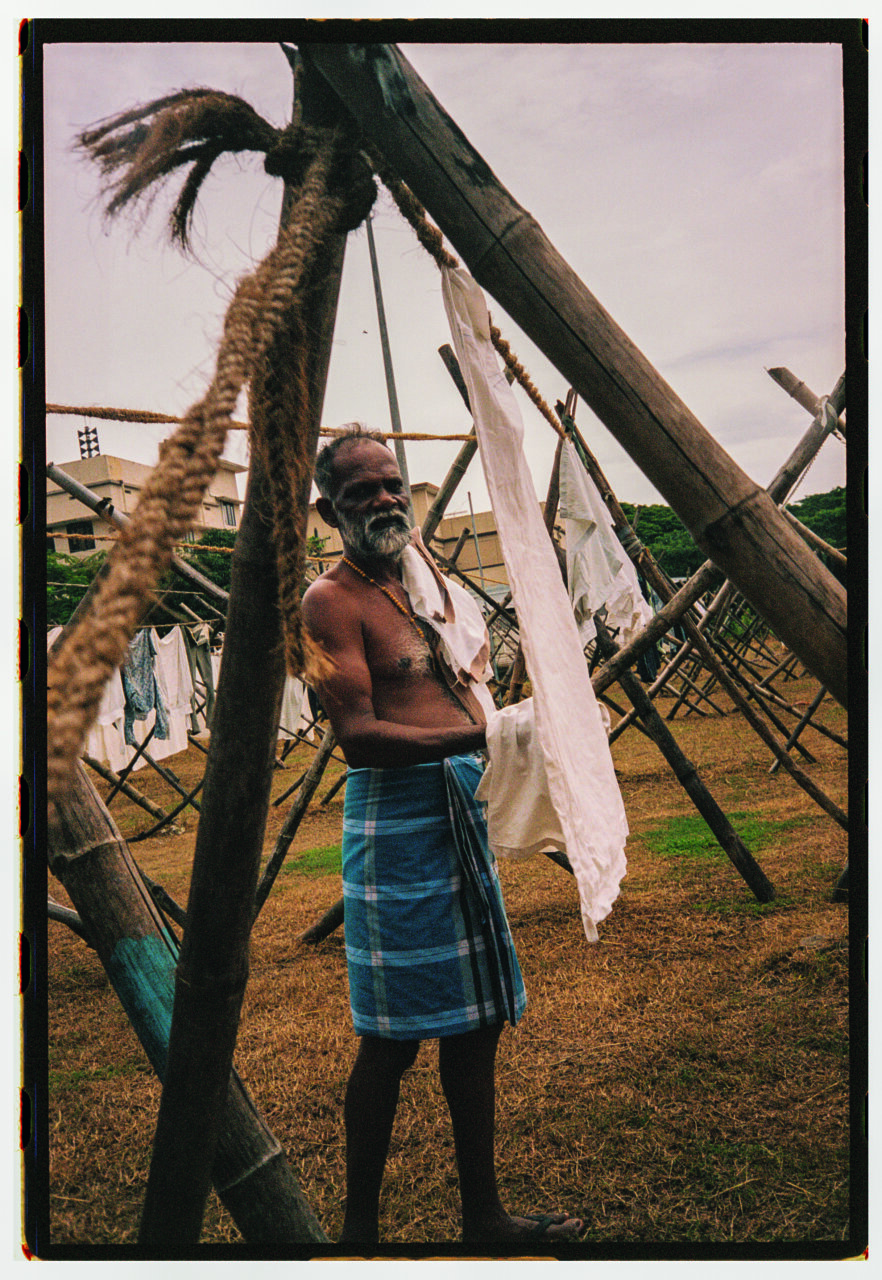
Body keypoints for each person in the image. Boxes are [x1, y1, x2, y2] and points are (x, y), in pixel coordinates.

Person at [302, 425, 584, 1246]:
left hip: (463, 803)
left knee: (478, 1019)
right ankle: (358, 1233)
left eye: (393, 484)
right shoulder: (328, 603)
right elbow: (358, 736)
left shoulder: (422, 582)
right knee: (390, 1039)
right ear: (328, 510)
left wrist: (493, 737)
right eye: (362, 492)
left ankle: (482, 1217)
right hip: (396, 819)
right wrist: (487, 735)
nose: (386, 500)